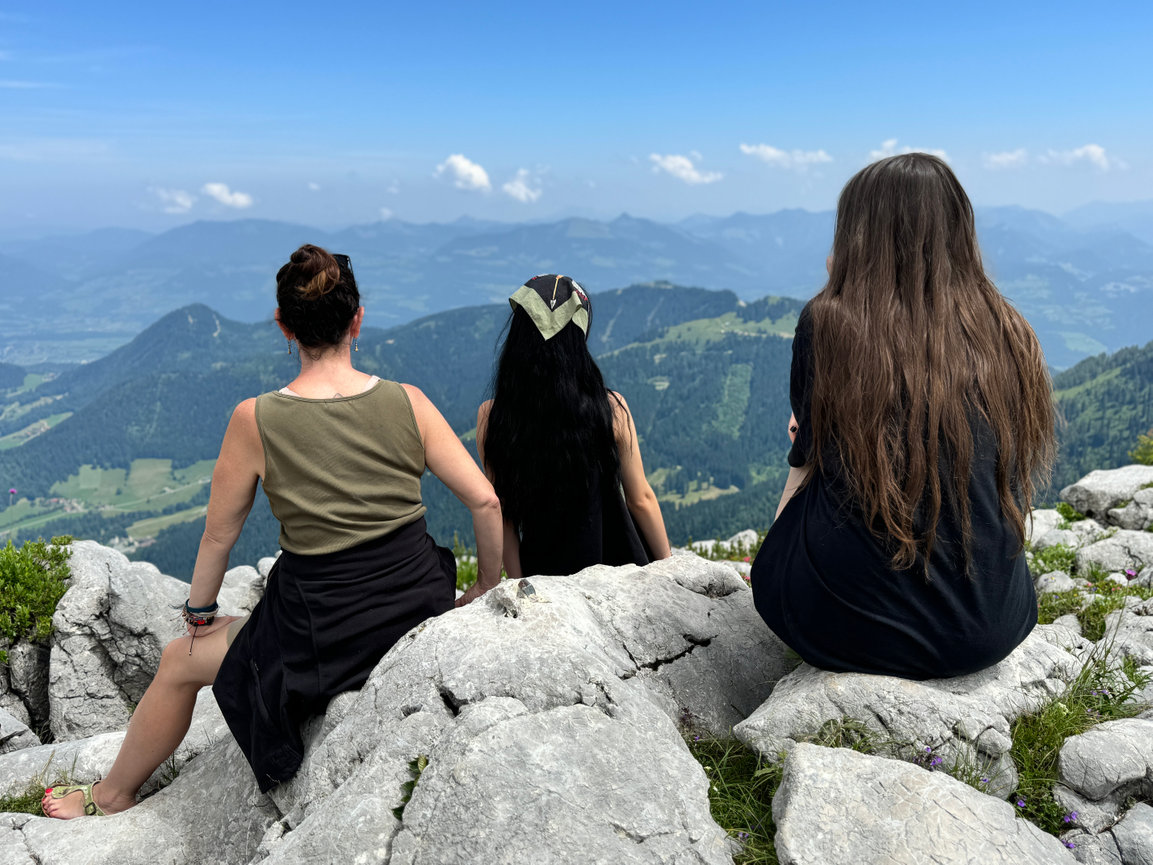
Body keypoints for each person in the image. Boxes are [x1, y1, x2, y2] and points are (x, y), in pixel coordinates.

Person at [43, 244, 502, 818]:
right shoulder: (409, 402)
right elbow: (485, 500)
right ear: (357, 319)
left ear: (284, 327)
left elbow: (218, 537)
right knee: (249, 627)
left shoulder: (255, 418)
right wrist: (484, 588)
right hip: (415, 606)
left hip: (325, 632)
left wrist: (200, 615)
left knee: (180, 661)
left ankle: (110, 796)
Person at [751, 153, 1056, 680]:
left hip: (865, 630)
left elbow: (804, 464)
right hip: (997, 624)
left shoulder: (828, 323)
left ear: (858, 237)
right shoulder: (1007, 328)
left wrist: (773, 560)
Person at [476, 274, 671, 580]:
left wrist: (519, 583)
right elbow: (640, 499)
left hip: (545, 578)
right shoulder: (610, 408)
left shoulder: (493, 417)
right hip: (621, 573)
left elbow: (505, 518)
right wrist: (670, 567)